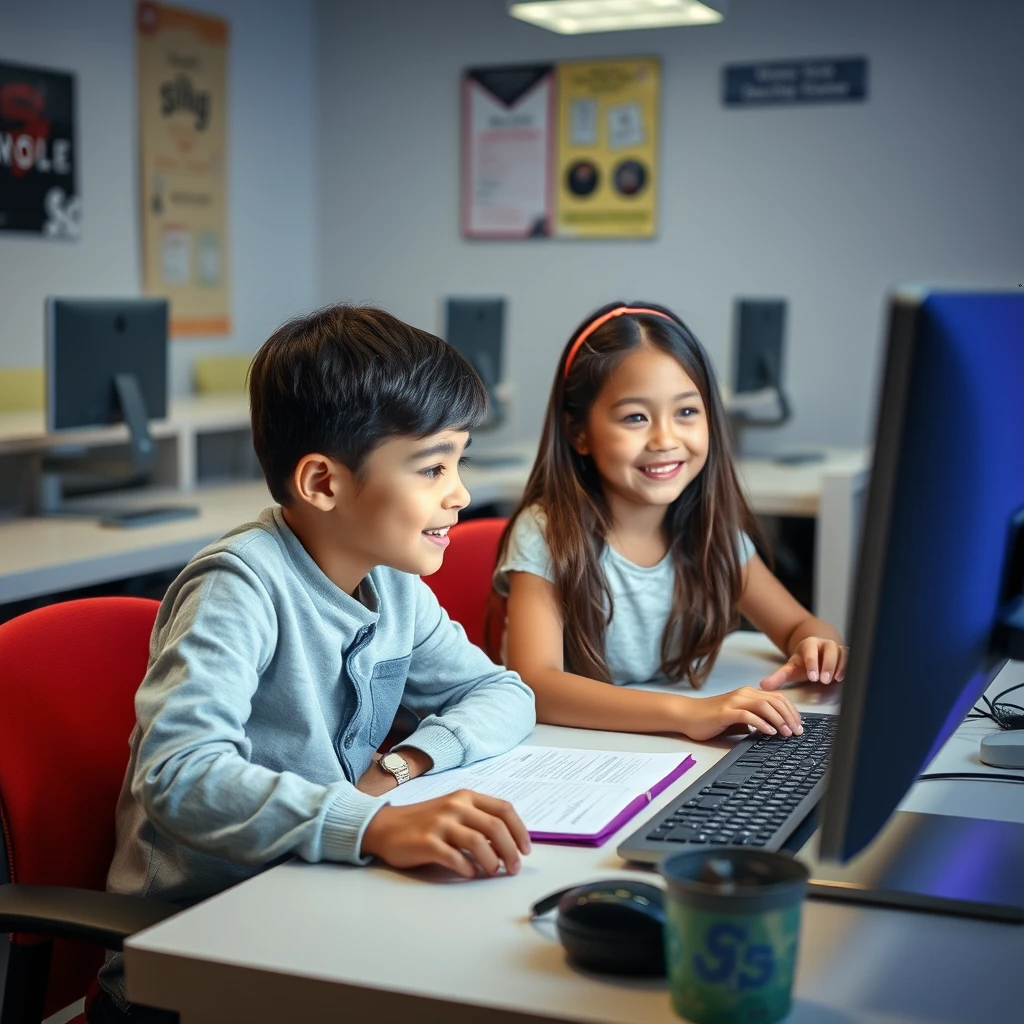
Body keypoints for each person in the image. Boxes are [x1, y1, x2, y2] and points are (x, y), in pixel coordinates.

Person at [91, 306, 535, 1023]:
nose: (458, 492)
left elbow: (501, 691)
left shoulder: (392, 582)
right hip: (197, 954)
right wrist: (372, 826)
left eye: (459, 461)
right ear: (324, 484)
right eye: (432, 467)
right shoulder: (239, 587)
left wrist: (401, 768)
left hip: (318, 895)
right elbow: (180, 772)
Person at [494, 302, 846, 743]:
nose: (665, 439)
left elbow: (798, 626)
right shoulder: (545, 533)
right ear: (578, 433)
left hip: (661, 747)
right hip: (578, 753)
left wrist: (818, 647)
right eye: (635, 417)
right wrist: (687, 713)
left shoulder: (713, 534)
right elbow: (537, 685)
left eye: (686, 412)